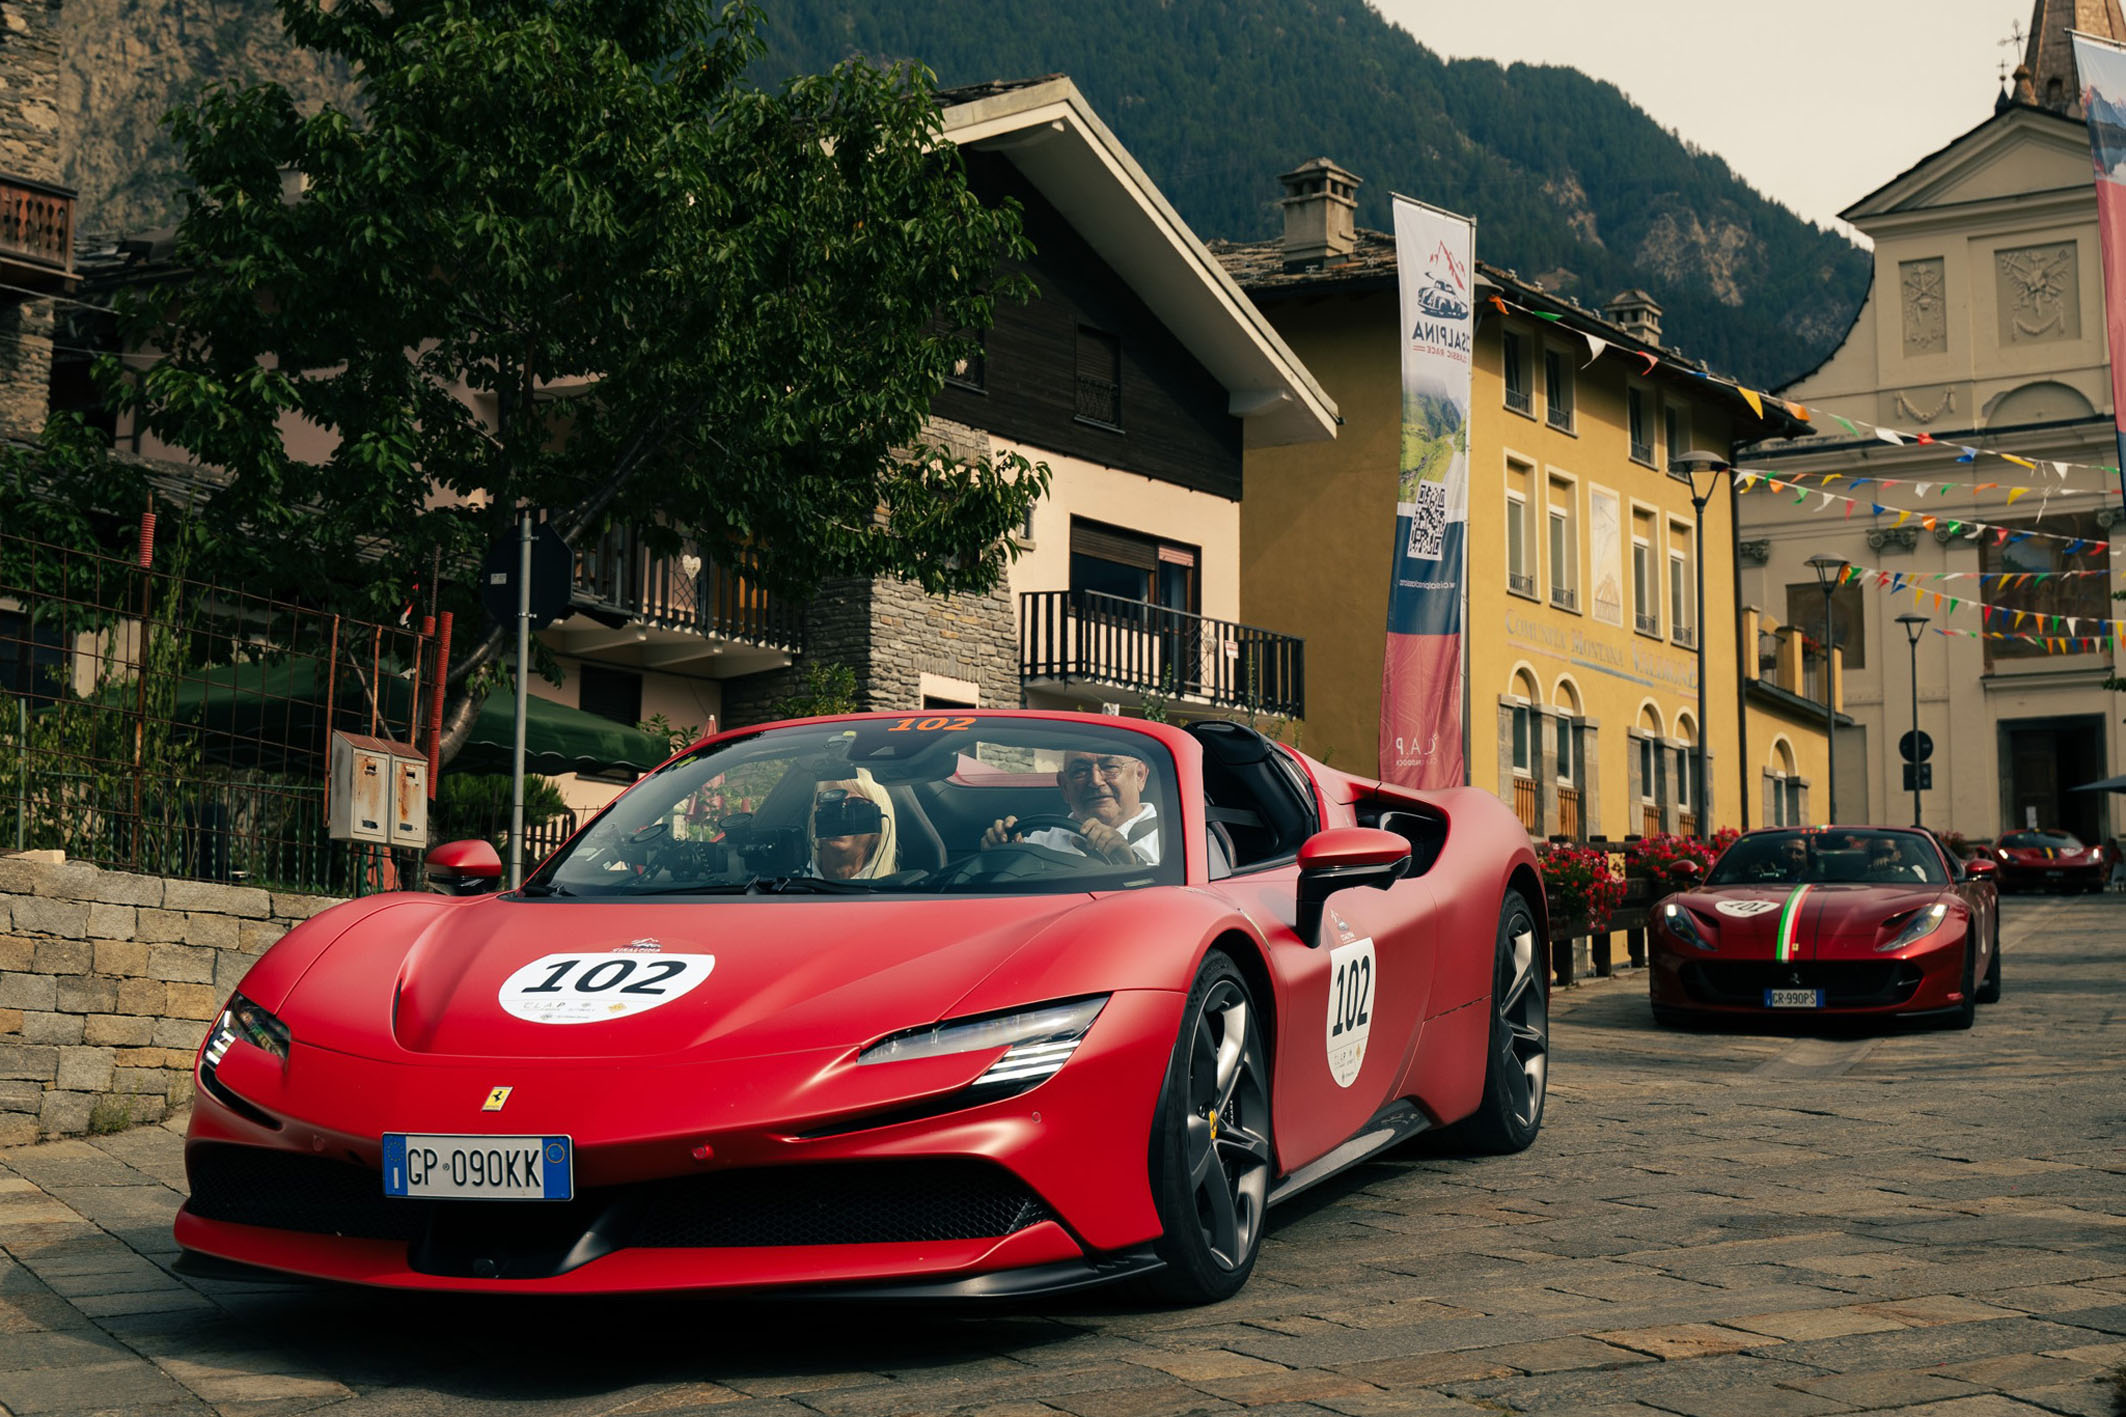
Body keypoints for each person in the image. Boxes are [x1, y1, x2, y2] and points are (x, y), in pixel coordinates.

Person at [982, 747, 1160, 865]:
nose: (1095, 781)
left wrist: (1134, 864)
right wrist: (999, 858)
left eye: (1110, 767)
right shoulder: (1037, 847)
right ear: (1064, 786)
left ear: (1139, 775)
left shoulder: (1172, 842)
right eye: (1080, 771)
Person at [809, 769, 899, 880]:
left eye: (856, 804)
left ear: (878, 822)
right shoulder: (790, 883)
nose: (841, 813)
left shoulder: (894, 888)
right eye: (831, 803)